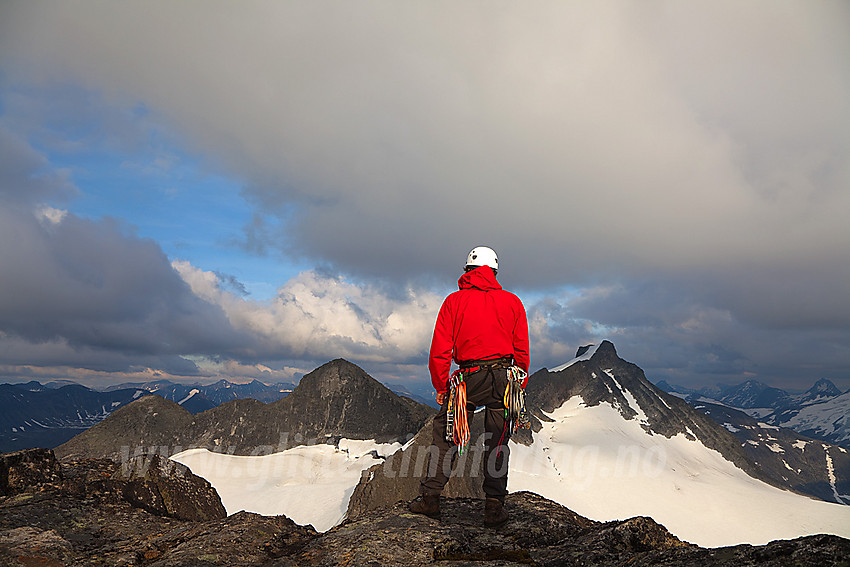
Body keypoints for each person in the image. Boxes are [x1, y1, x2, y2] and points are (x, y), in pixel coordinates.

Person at [409, 246, 529, 527]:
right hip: (503, 377)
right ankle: (494, 506)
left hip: (468, 377)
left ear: (468, 271)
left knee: (446, 433)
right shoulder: (512, 302)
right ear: (494, 272)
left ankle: (431, 499)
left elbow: (440, 351)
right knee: (498, 439)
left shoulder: (454, 302)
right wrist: (519, 383)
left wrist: (441, 385)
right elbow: (521, 350)